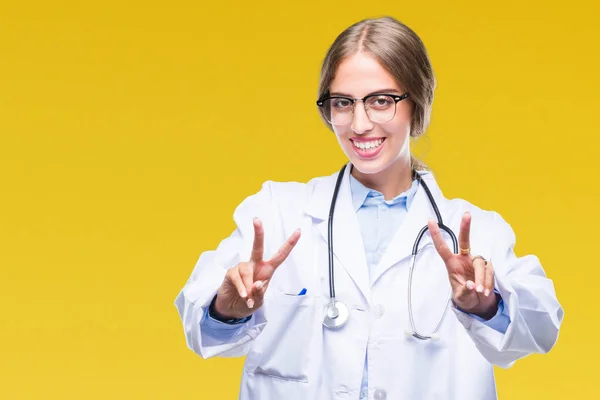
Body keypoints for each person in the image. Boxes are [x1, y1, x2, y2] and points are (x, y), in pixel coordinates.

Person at [174, 16, 563, 400]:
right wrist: (228, 308)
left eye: (381, 101)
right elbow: (198, 320)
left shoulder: (478, 231)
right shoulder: (277, 212)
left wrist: (487, 305)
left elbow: (542, 328)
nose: (359, 124)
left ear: (418, 103)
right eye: (343, 103)